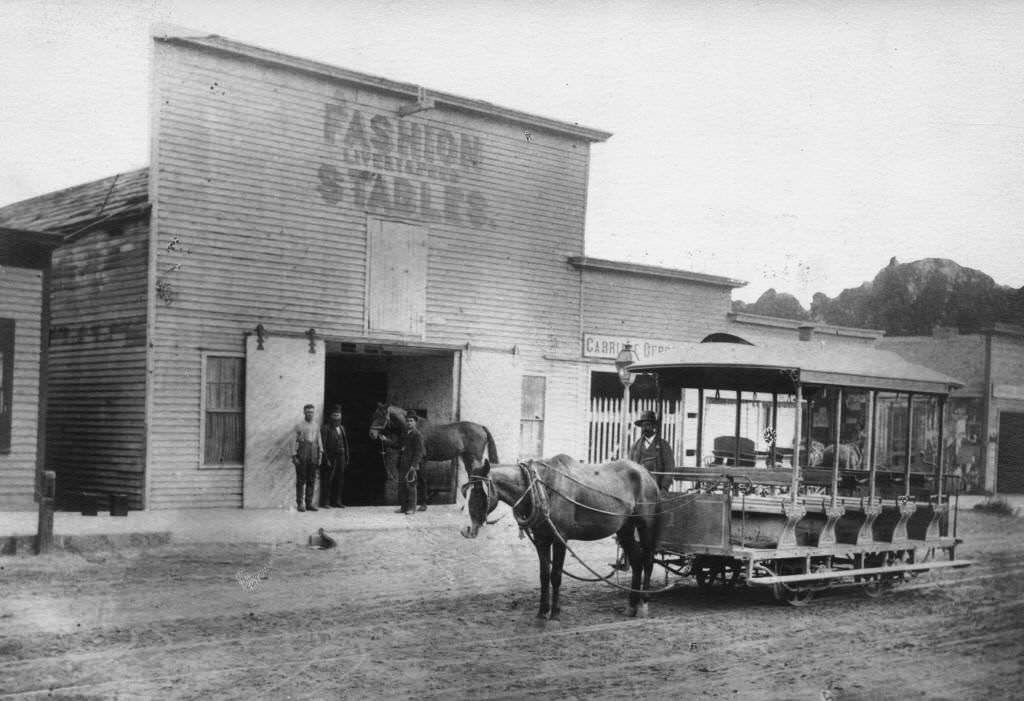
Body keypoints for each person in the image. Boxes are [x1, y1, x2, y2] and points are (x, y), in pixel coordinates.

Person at [628, 410, 676, 493]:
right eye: (643, 426)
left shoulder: (663, 445)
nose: (645, 428)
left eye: (648, 425)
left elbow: (670, 468)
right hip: (639, 489)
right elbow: (629, 467)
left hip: (657, 488)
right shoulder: (635, 446)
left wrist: (664, 488)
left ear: (654, 426)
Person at [293, 403, 323, 512]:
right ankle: (300, 504)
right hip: (303, 453)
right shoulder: (299, 426)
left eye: (312, 412)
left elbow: (319, 440)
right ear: (304, 412)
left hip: (313, 453)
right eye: (308, 412)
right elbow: (293, 442)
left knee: (311, 480)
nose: (310, 414)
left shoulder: (316, 425)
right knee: (301, 480)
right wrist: (294, 456)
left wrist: (320, 455)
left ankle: (309, 503)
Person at [396, 409, 427, 515]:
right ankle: (404, 507)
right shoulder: (405, 434)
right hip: (403, 464)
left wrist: (414, 466)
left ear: (415, 422)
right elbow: (398, 445)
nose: (409, 423)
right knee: (403, 487)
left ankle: (411, 508)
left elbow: (420, 452)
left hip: (411, 466)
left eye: (411, 421)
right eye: (407, 421)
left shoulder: (417, 435)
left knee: (411, 486)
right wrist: (385, 440)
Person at [320, 405, 350, 508]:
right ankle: (326, 502)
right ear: (331, 416)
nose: (336, 417)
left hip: (341, 457)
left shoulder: (342, 428)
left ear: (341, 416)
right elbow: (322, 445)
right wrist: (326, 459)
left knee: (340, 479)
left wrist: (347, 456)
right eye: (334, 415)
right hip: (330, 457)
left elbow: (346, 444)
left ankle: (337, 501)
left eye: (338, 415)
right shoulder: (326, 428)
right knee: (328, 479)